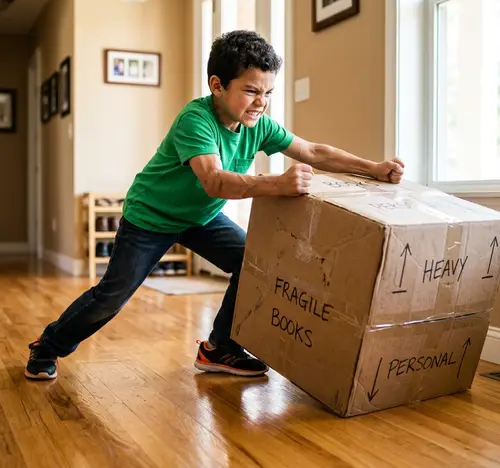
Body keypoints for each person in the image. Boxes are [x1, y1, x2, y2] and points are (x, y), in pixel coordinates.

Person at [25, 30, 405, 380]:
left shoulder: (258, 125)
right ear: (217, 85)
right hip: (150, 218)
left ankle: (220, 348)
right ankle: (49, 346)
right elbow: (214, 180)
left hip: (201, 217)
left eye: (268, 92)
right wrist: (277, 184)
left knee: (253, 264)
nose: (261, 103)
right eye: (252, 90)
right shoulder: (196, 119)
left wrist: (374, 167)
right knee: (111, 297)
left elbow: (312, 151)